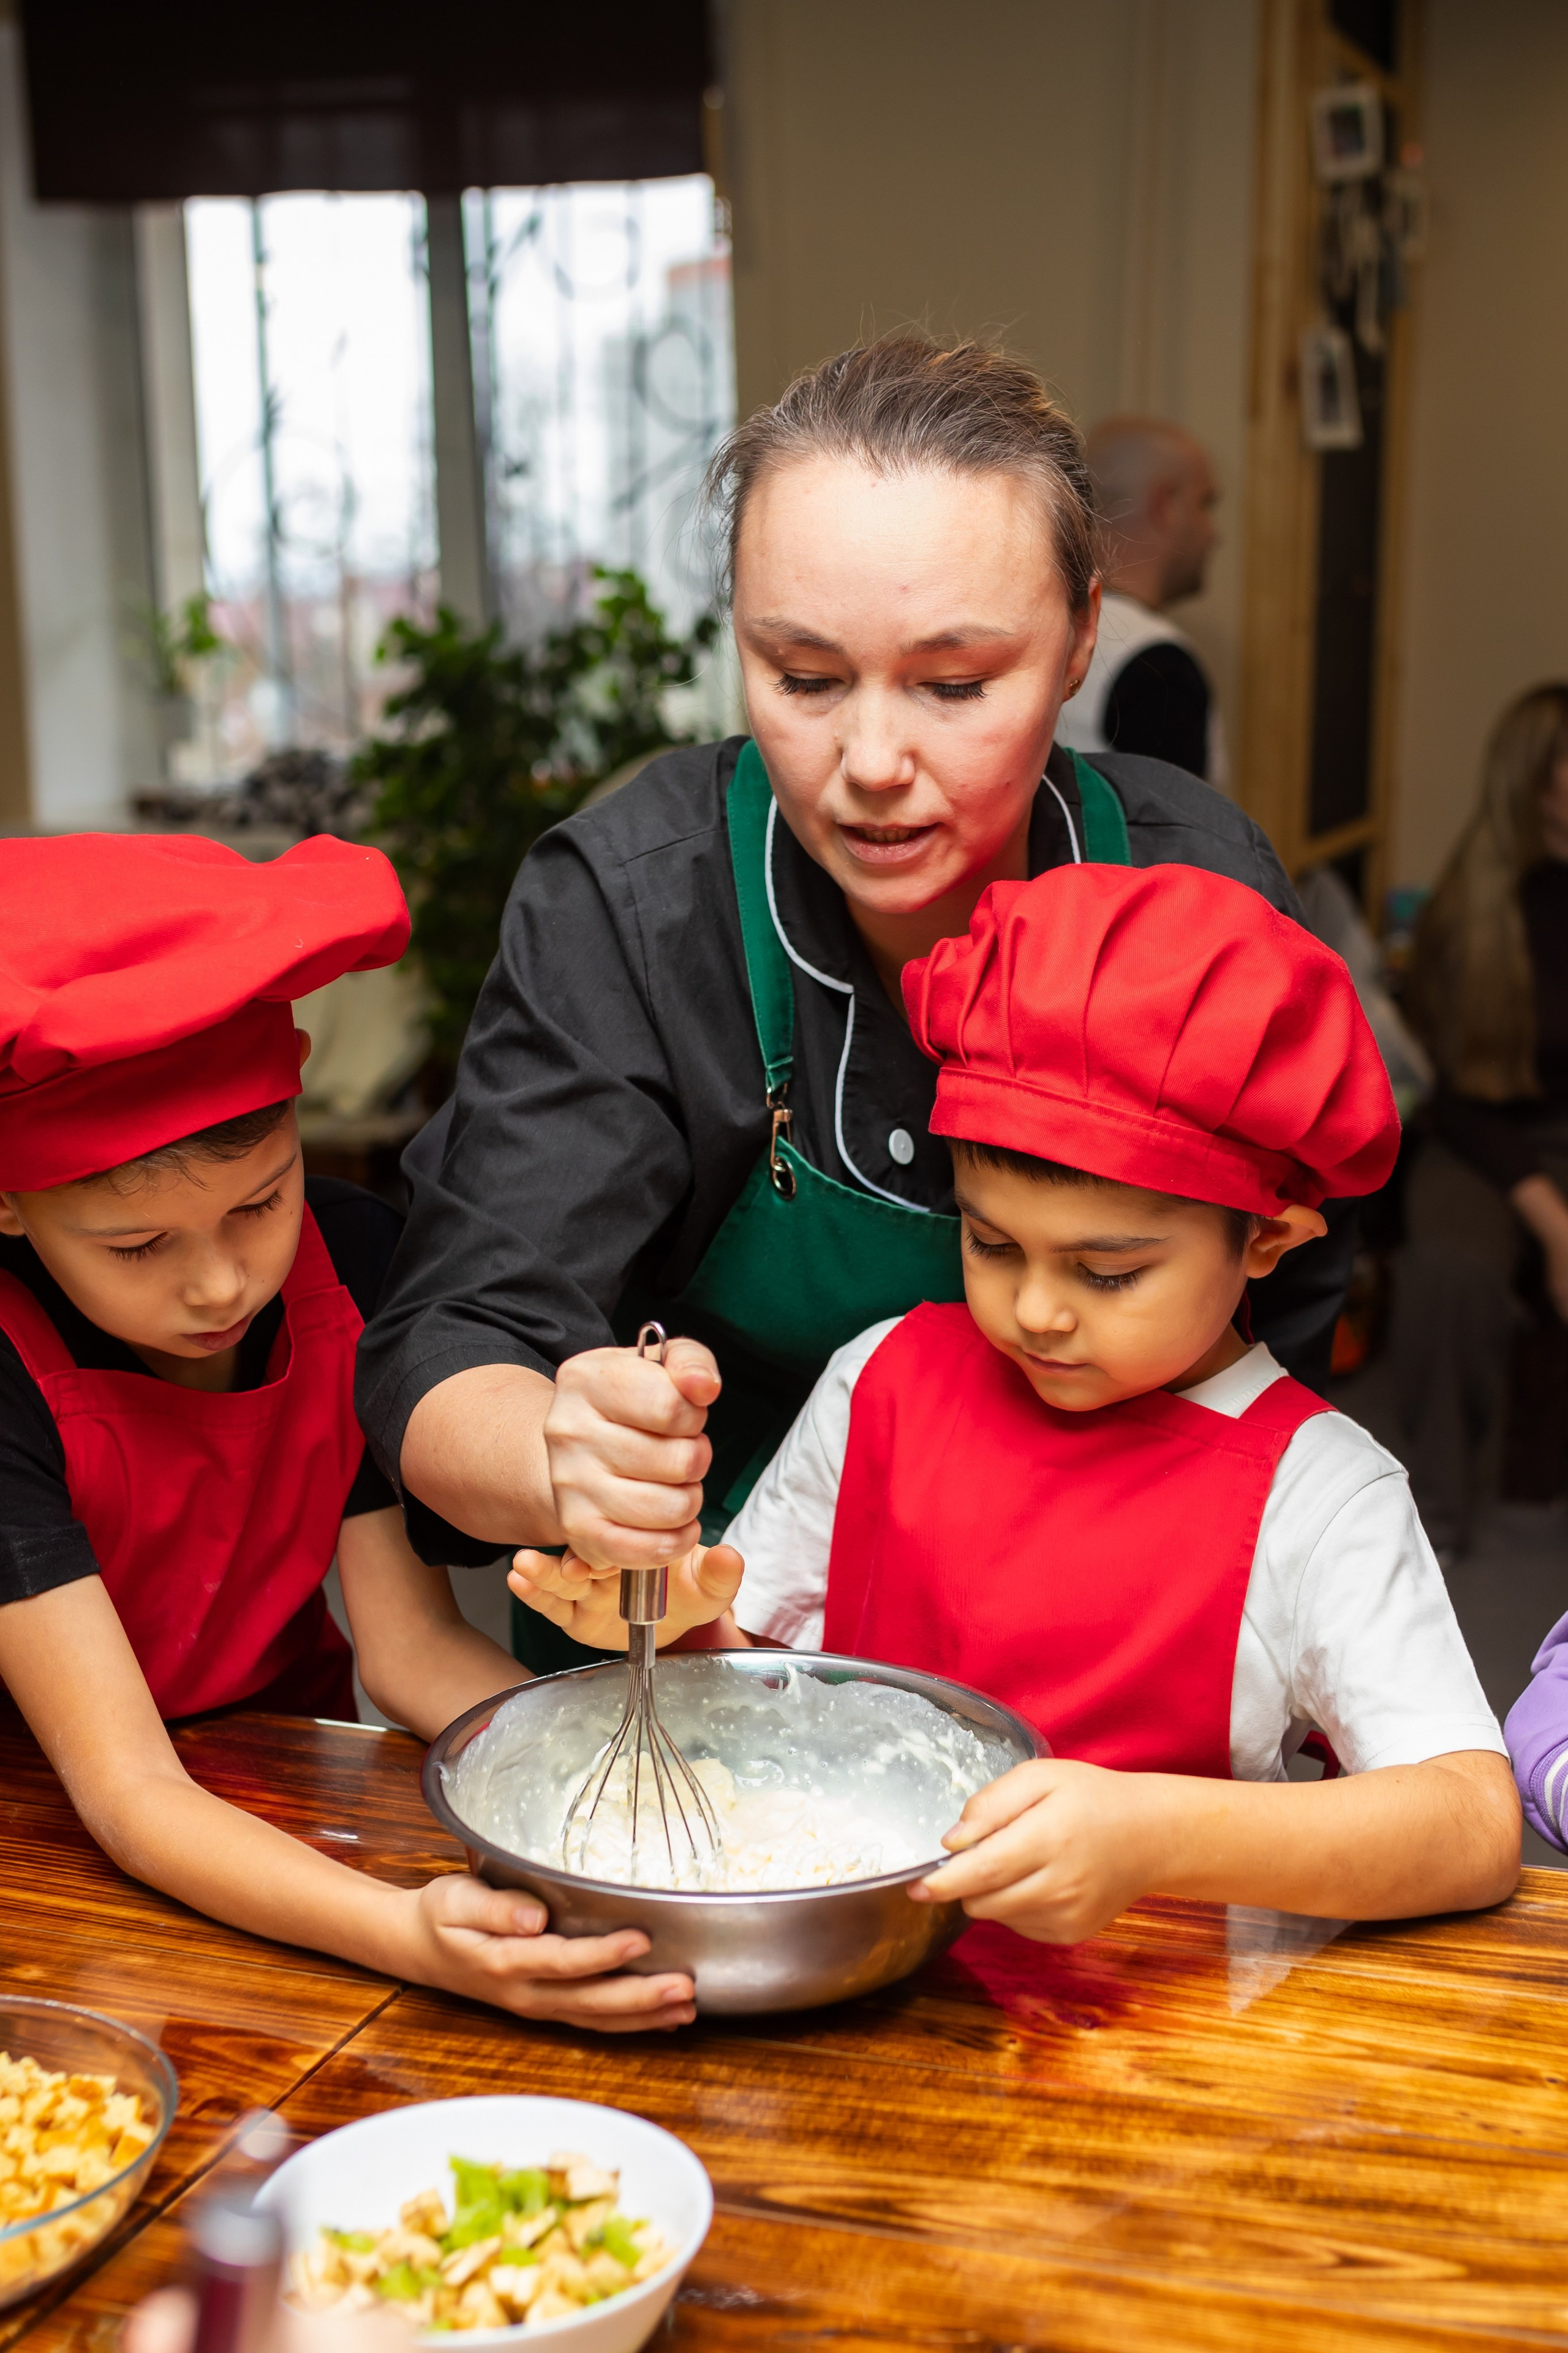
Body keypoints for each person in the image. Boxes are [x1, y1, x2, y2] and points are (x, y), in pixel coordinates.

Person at [356, 334, 1357, 1673]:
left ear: (1078, 642)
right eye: (803, 678)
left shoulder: (1193, 885)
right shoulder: (644, 907)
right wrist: (558, 1453)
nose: (871, 763)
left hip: (1108, 1645)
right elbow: (456, 1337)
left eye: (955, 686)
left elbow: (1270, 1333)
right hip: (709, 1662)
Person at [514, 863, 1519, 1941]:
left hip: (1165, 2055)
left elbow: (1470, 1826)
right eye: (991, 1244)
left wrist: (1157, 1835)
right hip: (866, 1995)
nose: (1036, 1309)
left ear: (1267, 1238)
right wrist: (667, 1617)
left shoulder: (1321, 1497)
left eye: (1108, 1271)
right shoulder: (882, 1380)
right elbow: (761, 1715)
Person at [0, 834, 695, 2033]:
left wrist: (611, 1774)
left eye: (258, 1201)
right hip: (51, 1831)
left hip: (278, 1777)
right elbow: (123, 1787)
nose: (220, 1284)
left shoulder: (352, 1266)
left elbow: (412, 1648)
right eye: (138, 1248)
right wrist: (404, 1934)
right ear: (11, 1205)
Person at [1392, 684, 1568, 1557]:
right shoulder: (1475, 907)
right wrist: (1555, 1224)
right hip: (1482, 1136)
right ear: (1534, 782)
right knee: (1450, 1271)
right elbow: (1454, 1095)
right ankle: (1435, 1521)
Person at [1053, 415, 1227, 790]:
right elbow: (1181, 837)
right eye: (1206, 504)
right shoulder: (1158, 664)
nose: (1215, 535)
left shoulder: (1041, 627)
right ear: (1166, 505)